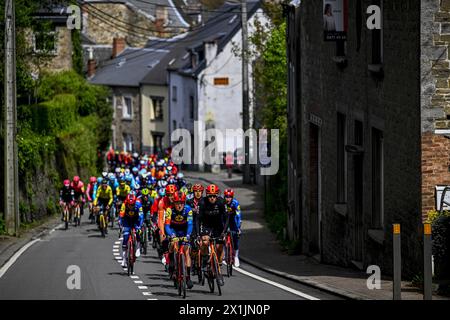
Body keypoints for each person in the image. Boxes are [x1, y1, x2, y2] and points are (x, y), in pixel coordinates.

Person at [197, 184, 229, 286]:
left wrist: (224, 231)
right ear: (207, 195)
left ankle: (218, 267)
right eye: (210, 196)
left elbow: (226, 218)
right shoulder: (202, 202)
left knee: (219, 247)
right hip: (206, 225)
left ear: (217, 196)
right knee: (205, 241)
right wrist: (198, 234)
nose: (212, 198)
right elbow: (197, 220)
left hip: (218, 226)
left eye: (214, 196)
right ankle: (205, 259)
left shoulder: (221, 202)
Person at [164, 191, 194, 289]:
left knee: (186, 251)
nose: (179, 205)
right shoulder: (169, 210)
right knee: (173, 244)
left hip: (185, 230)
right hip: (174, 230)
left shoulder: (188, 209)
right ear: (174, 203)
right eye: (177, 203)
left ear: (184, 203)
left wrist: (188, 235)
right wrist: (171, 235)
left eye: (181, 203)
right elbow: (167, 226)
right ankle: (172, 266)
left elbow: (190, 224)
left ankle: (188, 277)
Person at [119, 194, 144, 267]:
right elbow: (121, 215)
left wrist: (140, 225)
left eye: (132, 205)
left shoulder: (138, 204)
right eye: (129, 205)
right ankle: (123, 259)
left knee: (138, 232)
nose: (130, 206)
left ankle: (138, 247)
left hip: (136, 220)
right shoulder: (124, 204)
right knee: (126, 236)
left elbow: (141, 216)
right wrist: (120, 223)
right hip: (127, 220)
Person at [157, 184, 178, 265]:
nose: (171, 197)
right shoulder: (162, 202)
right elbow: (161, 219)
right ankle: (165, 253)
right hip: (166, 221)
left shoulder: (180, 200)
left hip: (177, 221)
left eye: (172, 194)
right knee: (162, 235)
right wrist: (162, 232)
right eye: (169, 195)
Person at [223, 189, 242, 267]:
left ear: (232, 197)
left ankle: (236, 256)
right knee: (222, 236)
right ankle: (224, 252)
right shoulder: (222, 203)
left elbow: (238, 215)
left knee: (236, 237)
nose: (228, 199)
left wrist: (238, 228)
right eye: (226, 197)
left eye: (230, 197)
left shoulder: (235, 203)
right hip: (224, 220)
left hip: (233, 220)